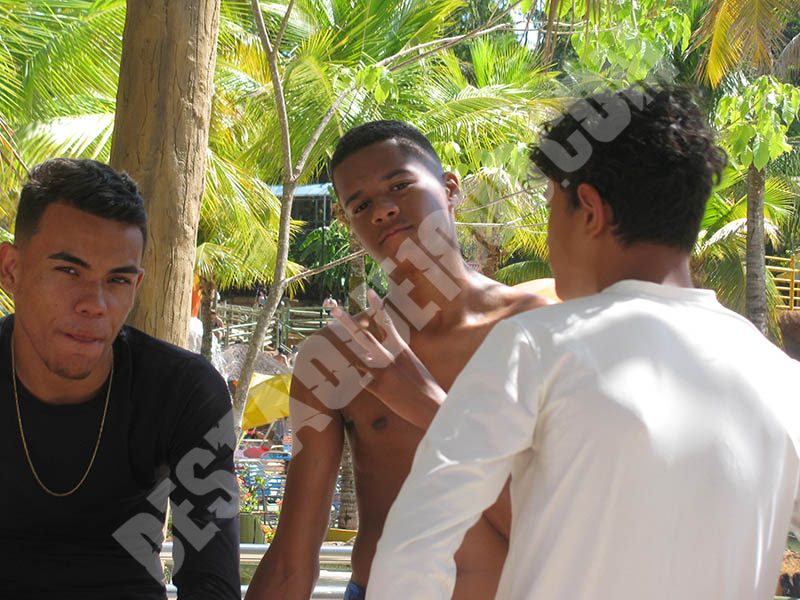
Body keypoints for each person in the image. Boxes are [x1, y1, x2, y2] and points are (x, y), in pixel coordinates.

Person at [365, 86, 800, 599]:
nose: (550, 235)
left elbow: (415, 545)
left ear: (589, 210)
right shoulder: (782, 378)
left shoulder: (536, 346)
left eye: (554, 205)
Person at [244, 121, 550, 600]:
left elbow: (561, 529)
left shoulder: (539, 328)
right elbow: (292, 559)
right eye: (360, 205)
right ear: (348, 224)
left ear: (450, 189)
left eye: (400, 185)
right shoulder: (336, 356)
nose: (383, 209)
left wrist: (424, 405)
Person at [0, 158, 240, 599]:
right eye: (69, 271)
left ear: (137, 285)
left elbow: (211, 583)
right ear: (11, 269)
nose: (94, 304)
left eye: (117, 280)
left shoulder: (182, 391)